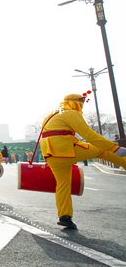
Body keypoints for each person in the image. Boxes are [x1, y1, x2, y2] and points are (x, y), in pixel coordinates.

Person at [40, 93, 126, 230]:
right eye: (81, 102)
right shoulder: (71, 113)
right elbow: (89, 135)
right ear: (74, 102)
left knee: (63, 185)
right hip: (65, 150)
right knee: (101, 150)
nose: (82, 105)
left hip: (51, 154)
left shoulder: (52, 114)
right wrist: (115, 148)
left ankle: (64, 217)